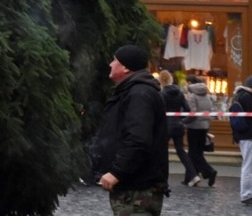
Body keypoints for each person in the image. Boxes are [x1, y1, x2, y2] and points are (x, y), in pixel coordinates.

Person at [91, 45, 169, 215]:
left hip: (138, 188)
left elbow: (138, 139)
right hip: (132, 186)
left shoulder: (139, 94)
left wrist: (117, 172)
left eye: (115, 60)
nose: (111, 64)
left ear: (125, 67)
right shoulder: (132, 92)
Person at [157, 70, 199, 186]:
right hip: (178, 125)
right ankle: (194, 175)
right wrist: (181, 120)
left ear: (160, 81)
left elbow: (158, 111)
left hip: (166, 126)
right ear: (171, 79)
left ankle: (161, 176)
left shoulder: (161, 94)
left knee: (161, 150)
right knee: (181, 151)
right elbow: (188, 111)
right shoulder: (180, 93)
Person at [230, 75, 252, 206]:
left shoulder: (240, 95)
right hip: (247, 135)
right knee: (250, 166)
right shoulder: (246, 97)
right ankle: (246, 195)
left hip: (244, 134)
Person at [183, 74, 218, 187]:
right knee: (198, 152)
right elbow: (210, 110)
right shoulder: (206, 95)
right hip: (204, 126)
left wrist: (184, 121)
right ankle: (191, 177)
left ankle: (209, 171)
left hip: (194, 127)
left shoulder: (193, 96)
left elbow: (192, 113)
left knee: (193, 153)